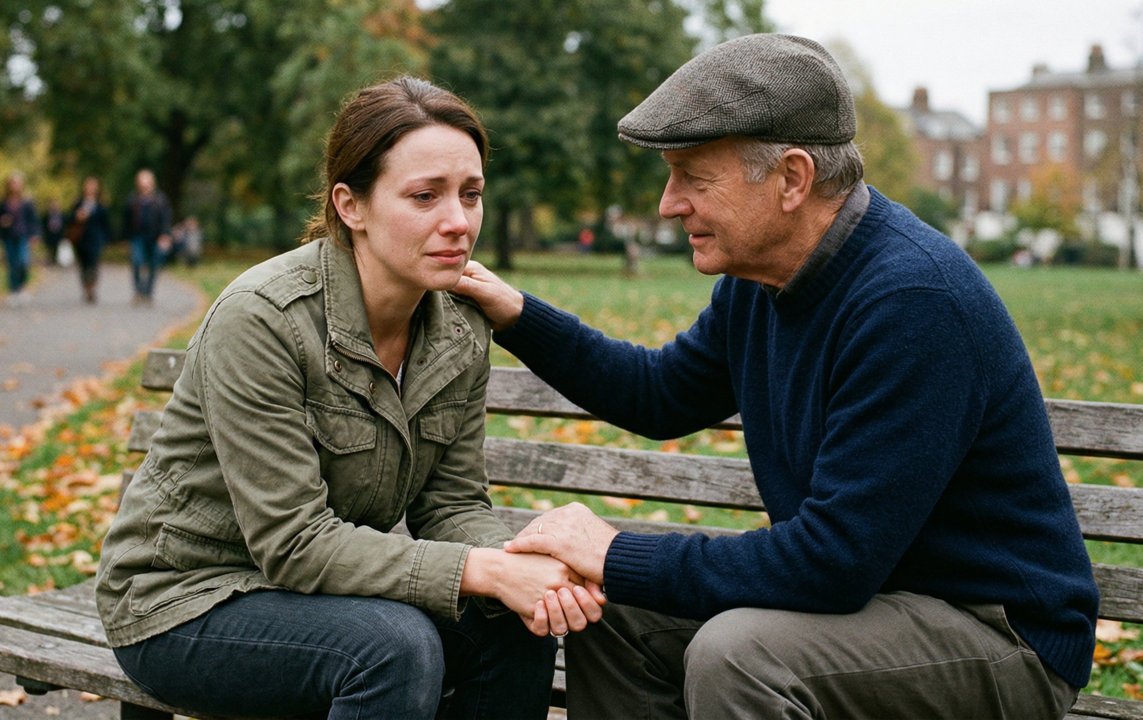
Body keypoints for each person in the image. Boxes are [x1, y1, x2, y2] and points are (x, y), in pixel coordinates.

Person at [453, 34, 1096, 719]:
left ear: (792, 178)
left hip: (996, 632)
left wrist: (615, 550)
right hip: (868, 602)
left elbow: (832, 563)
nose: (670, 204)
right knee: (616, 610)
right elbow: (661, 395)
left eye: (694, 179)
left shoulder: (913, 302)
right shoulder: (763, 282)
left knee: (741, 654)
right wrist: (517, 314)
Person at [96, 77, 603, 720]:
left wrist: (517, 572)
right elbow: (295, 543)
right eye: (425, 196)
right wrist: (483, 570)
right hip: (182, 599)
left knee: (511, 625)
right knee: (393, 649)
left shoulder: (461, 326)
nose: (457, 222)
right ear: (350, 206)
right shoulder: (264, 318)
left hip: (312, 596)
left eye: (470, 194)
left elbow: (450, 502)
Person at [121, 168, 172, 305]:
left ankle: (148, 293)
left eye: (147, 180)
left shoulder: (160, 199)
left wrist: (165, 236)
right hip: (137, 237)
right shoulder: (132, 199)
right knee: (137, 262)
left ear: (152, 182)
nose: (144, 183)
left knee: (153, 265)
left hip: (155, 237)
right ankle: (138, 292)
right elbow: (126, 220)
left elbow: (166, 219)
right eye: (141, 180)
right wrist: (125, 239)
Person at [0, 171, 39, 306]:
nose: (15, 186)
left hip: (23, 236)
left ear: (22, 185)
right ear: (8, 185)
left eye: (17, 183)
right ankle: (13, 291)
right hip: (8, 237)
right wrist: (2, 221)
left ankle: (23, 288)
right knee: (12, 264)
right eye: (13, 183)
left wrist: (35, 235)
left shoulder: (27, 202)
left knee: (23, 262)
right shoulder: (3, 202)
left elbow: (33, 220)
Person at [68, 176, 112, 304]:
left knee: (93, 263)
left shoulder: (100, 205)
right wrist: (77, 216)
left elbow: (105, 223)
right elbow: (69, 219)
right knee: (83, 264)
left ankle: (91, 288)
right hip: (81, 238)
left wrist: (107, 239)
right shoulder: (78, 203)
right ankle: (85, 286)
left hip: (95, 238)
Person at [42, 199, 65, 265]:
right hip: (49, 234)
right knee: (50, 248)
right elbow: (44, 224)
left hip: (58, 234)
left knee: (57, 248)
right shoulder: (47, 215)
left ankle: (56, 260)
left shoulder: (61, 215)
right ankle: (51, 260)